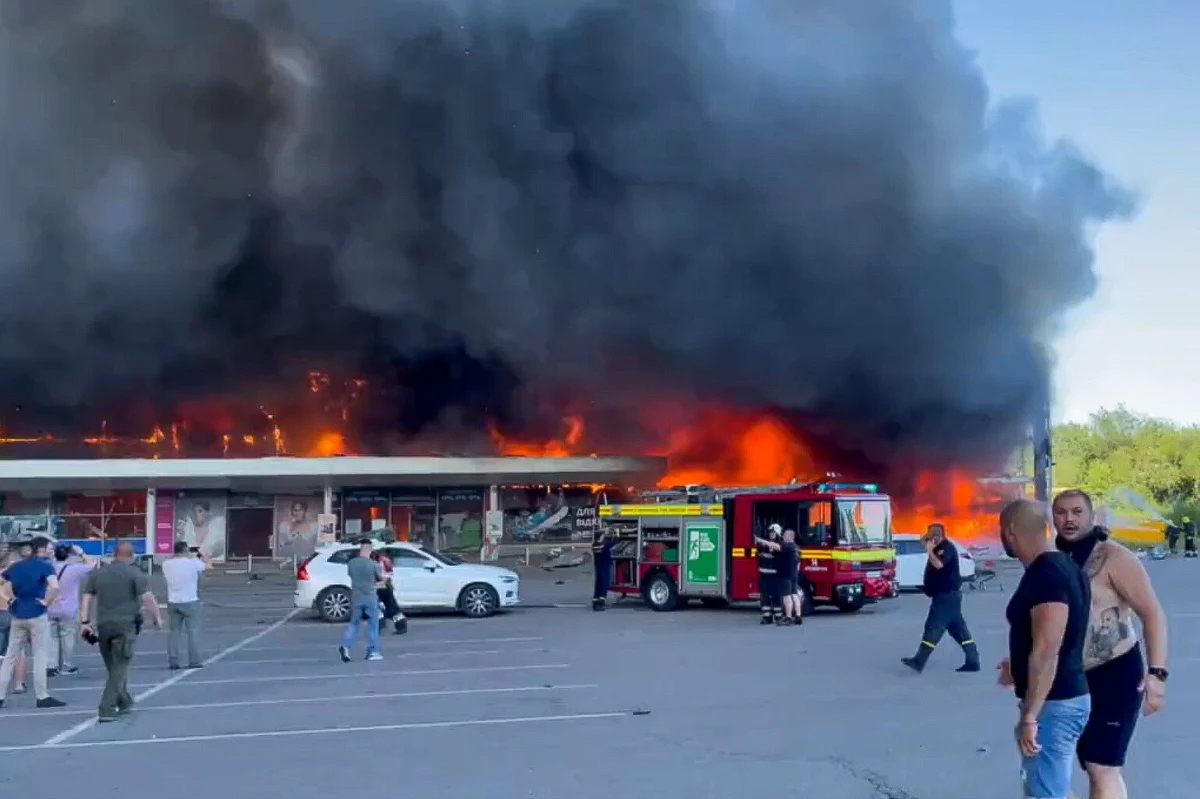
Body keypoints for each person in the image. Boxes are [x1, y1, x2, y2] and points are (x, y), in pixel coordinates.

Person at [1053, 489, 1168, 799]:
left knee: (1102, 768)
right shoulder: (1053, 561)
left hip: (1115, 673)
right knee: (1059, 766)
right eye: (1061, 512)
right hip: (1070, 678)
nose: (1069, 518)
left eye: (1077, 511)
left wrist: (1157, 676)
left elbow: (1152, 614)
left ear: (1091, 516)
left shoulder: (1115, 558)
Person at [998, 499, 1092, 799]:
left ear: (1011, 531)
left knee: (1045, 793)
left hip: (1054, 704)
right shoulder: (1064, 567)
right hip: (1061, 700)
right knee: (1054, 788)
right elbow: (1066, 635)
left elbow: (1047, 650)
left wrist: (1030, 717)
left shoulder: (1047, 574)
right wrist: (1017, 664)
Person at [79, 541, 163, 722]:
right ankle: (106, 708)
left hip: (103, 626)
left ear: (114, 554)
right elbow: (147, 597)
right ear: (131, 556)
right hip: (125, 626)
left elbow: (86, 599)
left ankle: (124, 701)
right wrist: (157, 617)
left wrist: (84, 622)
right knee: (119, 667)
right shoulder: (135, 573)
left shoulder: (98, 574)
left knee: (113, 667)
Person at [902, 523, 980, 673]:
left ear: (940, 536)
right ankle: (973, 660)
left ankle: (919, 661)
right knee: (958, 630)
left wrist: (930, 551)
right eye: (930, 536)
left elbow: (938, 565)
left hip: (946, 596)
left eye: (933, 537)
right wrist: (927, 541)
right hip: (947, 596)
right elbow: (921, 541)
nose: (931, 539)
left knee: (933, 626)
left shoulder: (947, 548)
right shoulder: (937, 545)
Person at [0, 537, 66, 709]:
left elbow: (2, 578)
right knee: (39, 654)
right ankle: (42, 696)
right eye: (49, 547)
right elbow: (55, 586)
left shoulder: (16, 566)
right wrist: (47, 602)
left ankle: (0, 695)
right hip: (37, 612)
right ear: (41, 549)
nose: (51, 550)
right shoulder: (45, 566)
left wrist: (9, 599)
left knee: (10, 656)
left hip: (18, 612)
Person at [47, 543, 98, 677]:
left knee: (51, 638)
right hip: (68, 609)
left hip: (49, 607)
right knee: (67, 637)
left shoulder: (49, 568)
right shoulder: (74, 569)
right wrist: (81, 552)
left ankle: (51, 666)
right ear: (68, 556)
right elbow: (92, 565)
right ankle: (66, 665)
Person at [162, 540, 210, 670]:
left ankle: (173, 660)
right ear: (186, 550)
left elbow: (173, 561)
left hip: (173, 601)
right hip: (190, 601)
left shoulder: (166, 564)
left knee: (174, 633)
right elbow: (209, 565)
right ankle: (194, 661)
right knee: (192, 632)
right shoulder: (193, 563)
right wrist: (200, 554)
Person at [339, 540, 382, 662]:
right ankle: (372, 651)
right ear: (370, 549)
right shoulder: (373, 564)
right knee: (373, 625)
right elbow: (380, 579)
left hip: (356, 597)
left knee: (354, 623)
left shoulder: (351, 563)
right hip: (370, 597)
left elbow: (351, 576)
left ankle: (346, 647)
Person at [0, 551, 26, 696]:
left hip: (1, 612)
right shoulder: (20, 576)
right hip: (16, 612)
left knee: (1, 651)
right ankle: (18, 683)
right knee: (19, 650)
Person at [371, 549, 407, 634]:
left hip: (378, 587)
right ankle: (401, 626)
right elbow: (389, 574)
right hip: (385, 587)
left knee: (377, 608)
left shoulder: (372, 562)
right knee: (392, 608)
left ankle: (378, 627)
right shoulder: (385, 560)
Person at [754, 523, 783, 625]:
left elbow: (775, 547)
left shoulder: (780, 544)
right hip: (763, 576)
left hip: (775, 576)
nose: (771, 534)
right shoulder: (763, 546)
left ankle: (778, 617)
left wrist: (760, 540)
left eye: (773, 533)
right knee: (764, 597)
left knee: (776, 597)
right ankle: (767, 617)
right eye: (770, 532)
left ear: (778, 533)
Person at [777, 528, 802, 626]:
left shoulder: (788, 546)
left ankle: (788, 617)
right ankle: (798, 616)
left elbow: (776, 546)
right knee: (795, 595)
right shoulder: (797, 548)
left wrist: (763, 541)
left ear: (789, 537)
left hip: (786, 575)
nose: (783, 537)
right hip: (794, 574)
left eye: (784, 535)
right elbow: (798, 564)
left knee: (787, 597)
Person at [591, 528, 614, 612]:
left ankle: (595, 602)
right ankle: (600, 603)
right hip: (605, 567)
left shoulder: (594, 545)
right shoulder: (605, 545)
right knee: (604, 584)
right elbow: (611, 546)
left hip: (598, 567)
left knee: (598, 584)